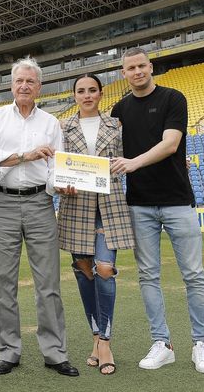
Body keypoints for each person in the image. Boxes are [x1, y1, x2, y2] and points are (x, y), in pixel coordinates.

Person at [109, 47, 204, 374]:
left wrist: (133, 163)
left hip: (177, 200)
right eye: (131, 68)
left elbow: (171, 144)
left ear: (150, 67)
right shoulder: (119, 109)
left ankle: (202, 344)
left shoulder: (173, 98)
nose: (138, 71)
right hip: (139, 204)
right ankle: (162, 343)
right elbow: (110, 153)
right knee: (148, 276)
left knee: (193, 275)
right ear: (124, 73)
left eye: (142, 65)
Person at [0, 57, 78, 378]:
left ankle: (55, 352)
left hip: (40, 203)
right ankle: (8, 351)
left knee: (48, 282)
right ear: (12, 84)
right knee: (2, 283)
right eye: (19, 80)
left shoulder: (50, 123)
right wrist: (27, 155)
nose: (24, 86)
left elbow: (54, 168)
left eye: (30, 82)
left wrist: (61, 185)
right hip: (2, 203)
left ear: (39, 87)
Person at [56, 73, 135, 376]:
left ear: (101, 93)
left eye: (92, 90)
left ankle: (105, 341)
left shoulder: (116, 125)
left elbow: (128, 159)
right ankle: (94, 338)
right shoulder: (63, 127)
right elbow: (57, 167)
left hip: (109, 205)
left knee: (104, 270)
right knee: (85, 273)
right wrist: (61, 185)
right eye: (81, 91)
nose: (87, 95)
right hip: (76, 207)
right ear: (74, 95)